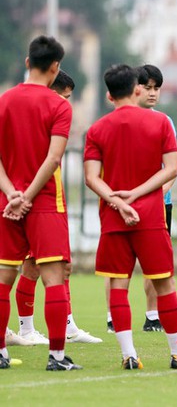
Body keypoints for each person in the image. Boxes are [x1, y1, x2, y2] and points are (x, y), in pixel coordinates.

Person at [84, 64, 177, 370]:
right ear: (137, 89)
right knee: (164, 284)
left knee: (118, 286)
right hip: (150, 216)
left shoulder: (97, 129)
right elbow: (172, 169)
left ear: (108, 95)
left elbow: (91, 178)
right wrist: (137, 195)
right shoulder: (160, 123)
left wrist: (117, 199)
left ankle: (129, 355)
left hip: (113, 216)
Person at [0, 35, 82, 370]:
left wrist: (11, 194)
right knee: (54, 280)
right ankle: (57, 357)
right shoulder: (60, 105)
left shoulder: (4, 101)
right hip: (46, 203)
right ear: (55, 68)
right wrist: (29, 196)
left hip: (6, 204)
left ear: (26, 62)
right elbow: (53, 159)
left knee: (4, 279)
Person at [10, 70, 102, 346]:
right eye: (64, 97)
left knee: (58, 265)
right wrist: (24, 196)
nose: (66, 104)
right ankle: (27, 331)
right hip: (31, 200)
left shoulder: (47, 118)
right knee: (24, 267)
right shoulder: (30, 114)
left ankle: (64, 325)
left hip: (46, 198)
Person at [105, 64, 173, 334]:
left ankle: (153, 315)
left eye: (157, 88)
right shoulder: (111, 124)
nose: (152, 93)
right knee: (116, 267)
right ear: (134, 88)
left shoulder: (164, 123)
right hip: (119, 204)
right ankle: (113, 317)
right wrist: (118, 200)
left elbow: (171, 168)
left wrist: (153, 196)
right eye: (147, 87)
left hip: (157, 204)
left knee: (156, 264)